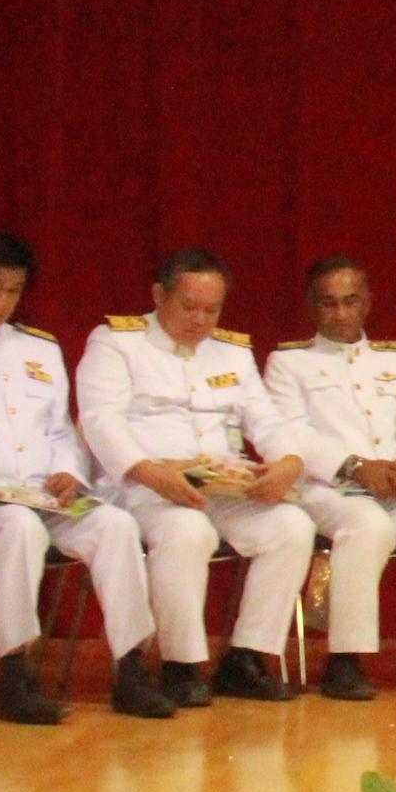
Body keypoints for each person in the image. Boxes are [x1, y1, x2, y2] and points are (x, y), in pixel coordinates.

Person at [0, 228, 168, 725]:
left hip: (39, 494)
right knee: (17, 527)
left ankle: (131, 669)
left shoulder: (37, 347)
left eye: (12, 291)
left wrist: (67, 470)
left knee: (115, 524)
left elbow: (58, 428)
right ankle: (15, 675)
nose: (0, 301)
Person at [76, 249, 313, 707]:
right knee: (187, 530)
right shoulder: (117, 342)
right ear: (159, 296)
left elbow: (267, 420)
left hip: (219, 484)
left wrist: (288, 463)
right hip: (145, 485)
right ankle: (181, 665)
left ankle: (246, 658)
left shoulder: (232, 352)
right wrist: (152, 473)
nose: (200, 320)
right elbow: (101, 420)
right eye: (189, 307)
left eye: (212, 309)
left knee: (291, 526)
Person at [262, 257, 396, 701]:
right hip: (328, 488)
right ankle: (346, 657)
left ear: (367, 303)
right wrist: (356, 466)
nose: (340, 313)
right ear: (311, 306)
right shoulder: (289, 363)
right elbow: (293, 434)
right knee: (367, 525)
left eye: (350, 301)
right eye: (329, 303)